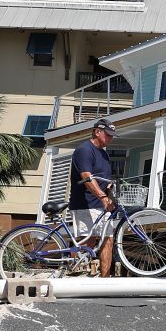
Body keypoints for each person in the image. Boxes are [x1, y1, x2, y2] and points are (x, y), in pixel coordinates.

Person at [69, 118, 118, 276]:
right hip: (85, 204)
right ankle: (72, 273)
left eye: (112, 136)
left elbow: (104, 179)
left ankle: (105, 279)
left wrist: (110, 193)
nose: (110, 138)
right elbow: (87, 177)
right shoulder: (84, 150)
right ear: (97, 132)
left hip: (100, 205)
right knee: (86, 241)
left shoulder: (103, 154)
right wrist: (103, 197)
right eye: (108, 135)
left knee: (108, 239)